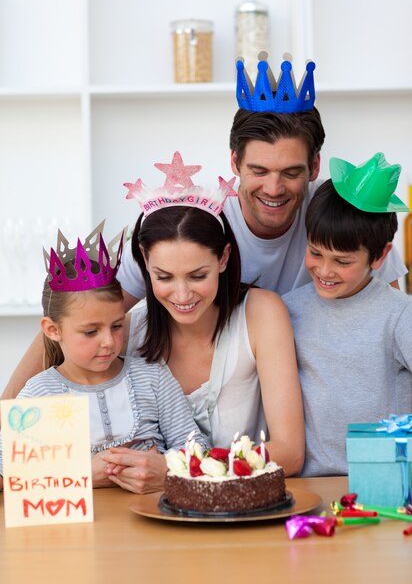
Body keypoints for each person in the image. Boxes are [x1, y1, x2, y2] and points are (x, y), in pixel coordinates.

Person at [2, 54, 405, 399]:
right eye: (258, 170)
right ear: (234, 163)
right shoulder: (197, 220)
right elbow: (79, 314)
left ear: (315, 167)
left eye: (291, 172)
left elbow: (385, 322)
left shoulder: (338, 217)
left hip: (314, 397)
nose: (274, 188)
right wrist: (8, 408)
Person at [100, 163, 304, 492]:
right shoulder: (127, 333)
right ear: (143, 259)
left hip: (246, 514)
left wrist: (175, 468)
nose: (182, 295)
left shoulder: (261, 315)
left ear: (223, 258)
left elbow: (290, 453)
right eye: (163, 277)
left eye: (198, 276)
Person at [0, 225, 206, 490]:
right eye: (91, 331)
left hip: (155, 517)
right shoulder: (40, 393)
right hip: (82, 529)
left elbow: (197, 448)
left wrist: (165, 466)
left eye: (117, 326)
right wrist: (82, 473)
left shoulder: (152, 376)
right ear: (53, 330)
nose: (109, 341)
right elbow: (9, 472)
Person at [282, 153, 412, 477]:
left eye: (342, 262)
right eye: (315, 252)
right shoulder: (287, 310)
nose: (324, 270)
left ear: (380, 255)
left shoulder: (399, 314)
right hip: (308, 485)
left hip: (383, 485)